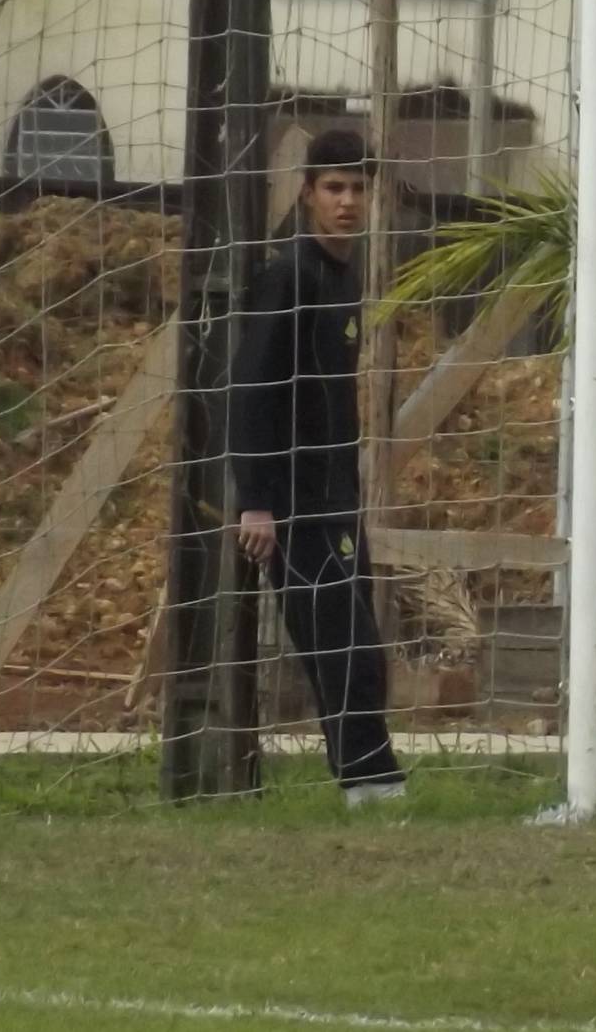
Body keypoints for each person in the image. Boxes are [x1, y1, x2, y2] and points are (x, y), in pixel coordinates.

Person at [230, 127, 406, 806]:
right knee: (342, 647)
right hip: (293, 504)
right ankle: (371, 784)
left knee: (358, 641)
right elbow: (252, 389)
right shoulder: (290, 276)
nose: (347, 202)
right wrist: (256, 499)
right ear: (306, 194)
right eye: (334, 188)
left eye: (359, 189)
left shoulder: (344, 277)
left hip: (338, 498)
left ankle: (370, 780)